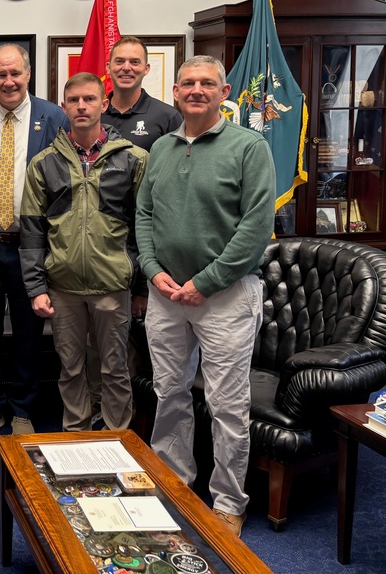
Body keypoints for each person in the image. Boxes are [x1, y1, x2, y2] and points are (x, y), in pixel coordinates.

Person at [136, 55, 275, 538]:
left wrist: (206, 282)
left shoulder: (249, 147)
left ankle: (229, 503)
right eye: (188, 83)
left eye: (207, 84)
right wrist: (153, 271)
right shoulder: (161, 147)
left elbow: (256, 227)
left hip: (226, 297)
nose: (197, 90)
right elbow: (144, 215)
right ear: (175, 92)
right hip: (166, 295)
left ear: (224, 92)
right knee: (169, 393)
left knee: (226, 405)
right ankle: (174, 483)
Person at [19, 72, 147, 433]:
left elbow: (145, 227)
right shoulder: (44, 163)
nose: (81, 106)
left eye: (89, 99)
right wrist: (36, 287)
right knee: (71, 368)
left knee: (115, 368)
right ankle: (75, 435)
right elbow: (32, 231)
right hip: (63, 286)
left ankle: (117, 439)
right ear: (63, 106)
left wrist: (140, 286)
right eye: (74, 100)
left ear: (103, 104)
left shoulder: (134, 159)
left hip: (113, 284)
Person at [0, 43, 68, 442]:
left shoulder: (52, 117)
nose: (8, 82)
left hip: (32, 246)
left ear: (28, 74)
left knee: (28, 332)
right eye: (0, 74)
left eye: (15, 73)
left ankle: (23, 409)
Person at [91, 35, 183, 423]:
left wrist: (144, 282)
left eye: (134, 62)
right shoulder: (94, 112)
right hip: (98, 246)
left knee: (140, 340)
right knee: (102, 340)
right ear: (108, 68)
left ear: (146, 68)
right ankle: (102, 414)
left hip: (147, 244)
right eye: (119, 61)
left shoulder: (166, 117)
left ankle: (132, 421)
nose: (126, 68)